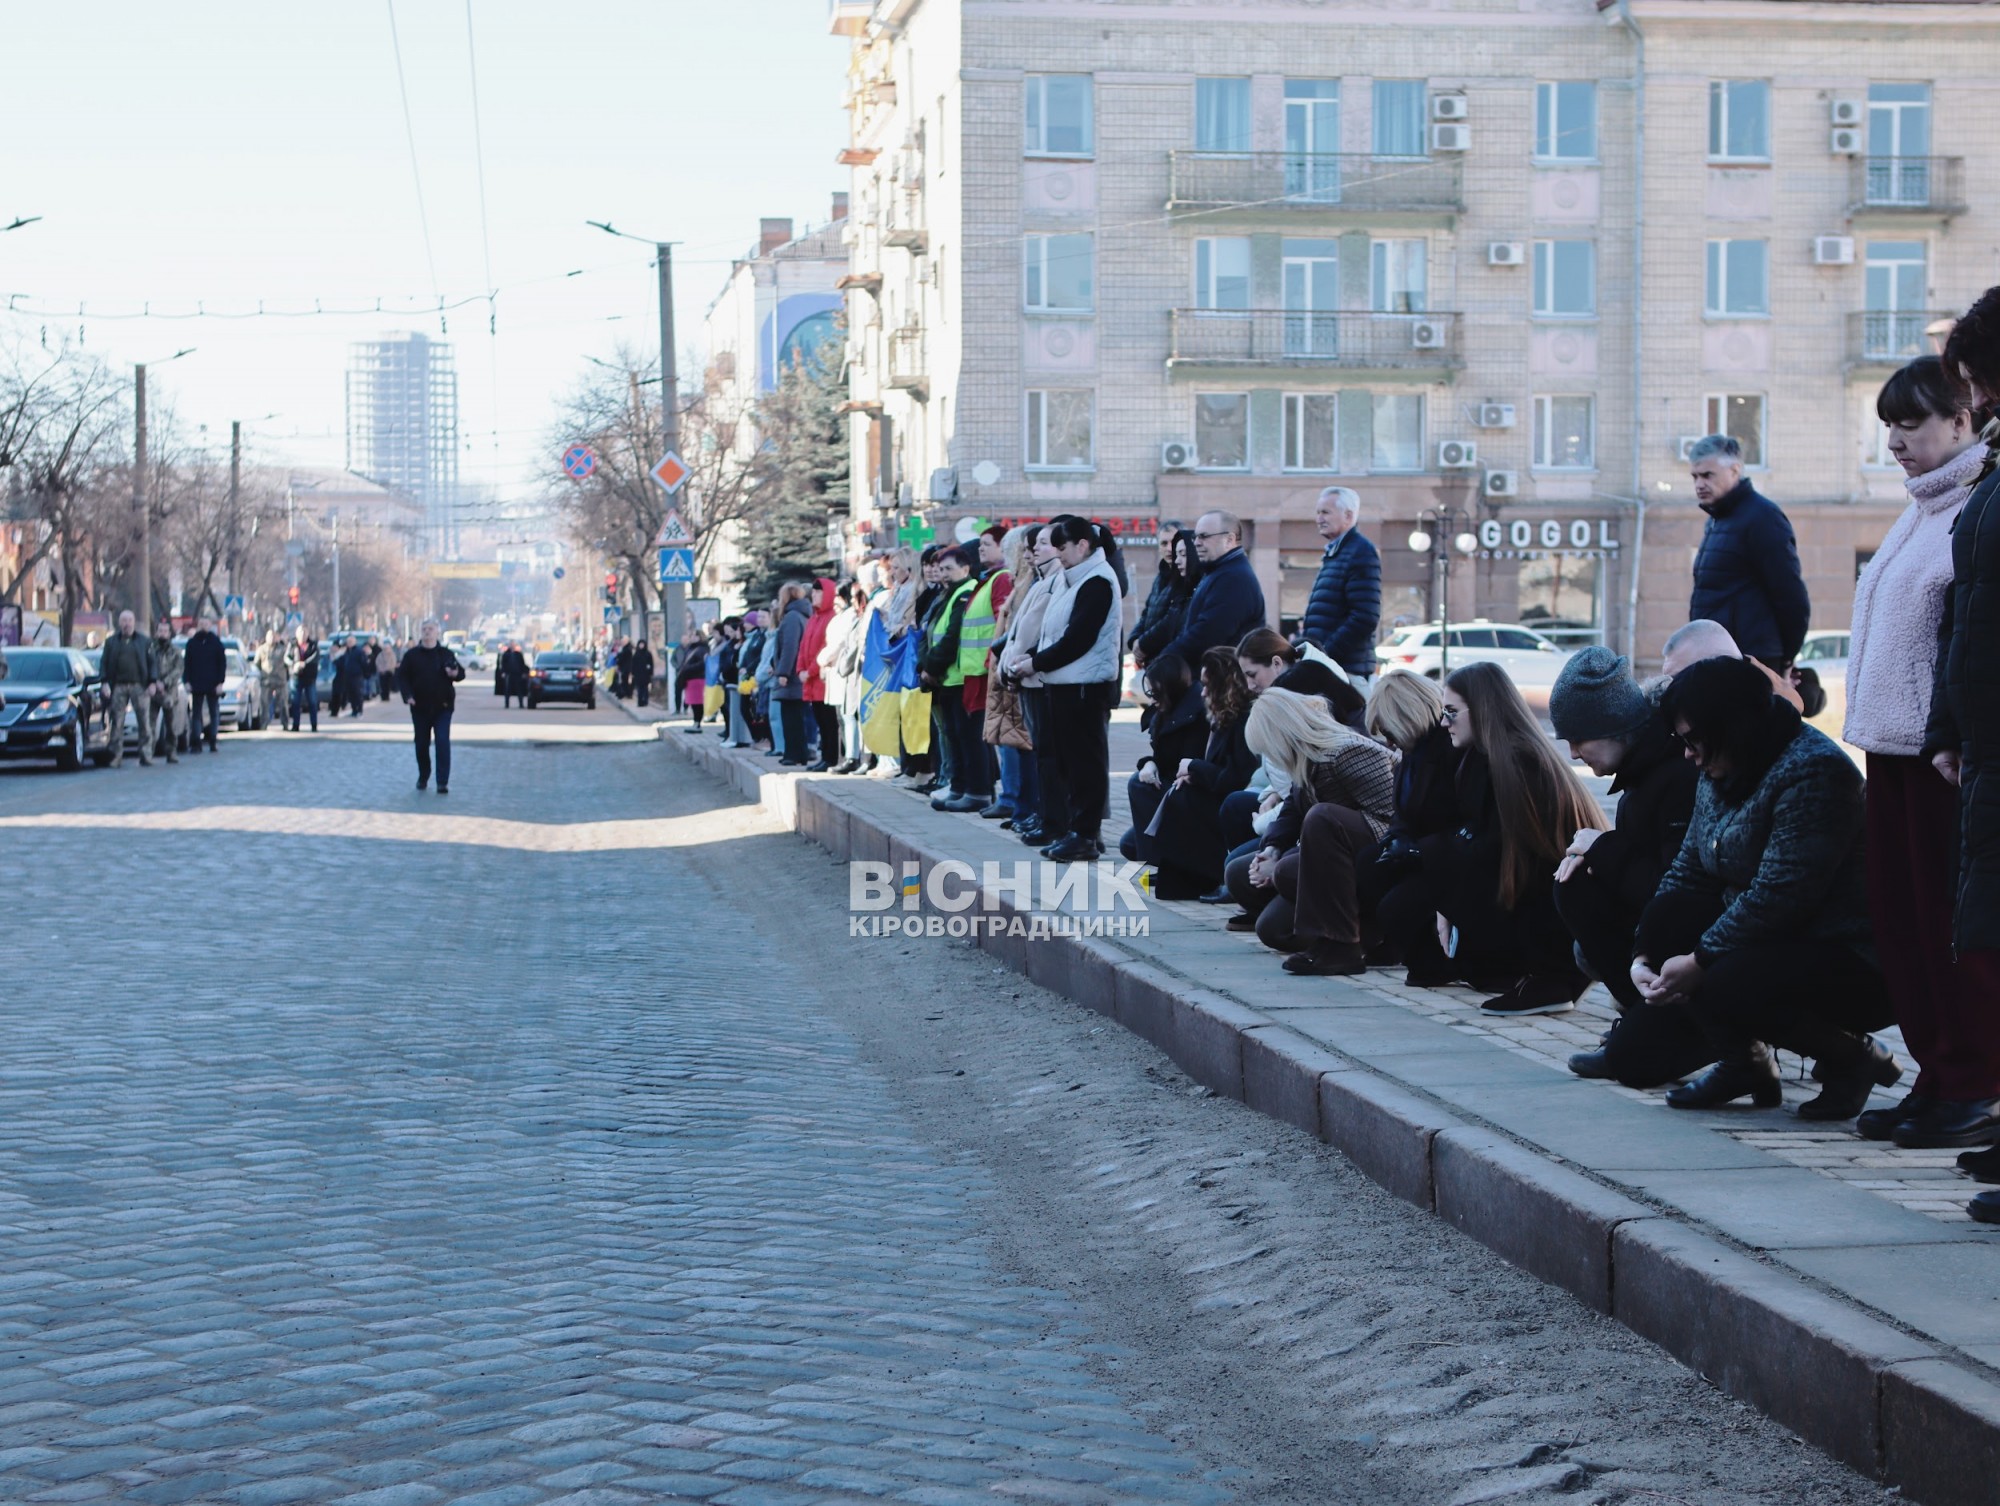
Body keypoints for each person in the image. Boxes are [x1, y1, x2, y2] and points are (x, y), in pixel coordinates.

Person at [1835, 357, 1999, 1148]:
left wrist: (1952, 736)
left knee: (1945, 926)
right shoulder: (1919, 509)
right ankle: (1937, 1073)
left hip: (1939, 759)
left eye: (1912, 424)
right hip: (1888, 749)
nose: (1896, 442)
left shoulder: (1975, 503)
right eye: (1888, 427)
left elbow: (1964, 639)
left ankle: (1973, 1081)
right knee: (1902, 926)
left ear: (1963, 420)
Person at [1635, 656, 1896, 1117]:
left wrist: (1698, 960)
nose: (1687, 754)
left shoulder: (1816, 772)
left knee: (1726, 980)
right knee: (1667, 918)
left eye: (1692, 739)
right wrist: (1644, 954)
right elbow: (1689, 868)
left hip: (1847, 952)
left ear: (1730, 728)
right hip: (1774, 936)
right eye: (1680, 741)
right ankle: (1744, 1063)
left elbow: (1783, 895)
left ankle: (1852, 1058)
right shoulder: (1721, 764)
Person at [1375, 661, 1604, 1015]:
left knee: (1415, 889)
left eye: (1451, 712)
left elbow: (1518, 856)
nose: (1444, 722)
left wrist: (1439, 877)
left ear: (1482, 709)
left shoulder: (1516, 761)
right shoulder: (1488, 757)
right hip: (1543, 904)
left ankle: (1548, 977)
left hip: (1555, 908)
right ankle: (1534, 974)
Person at [1547, 648, 1707, 1086]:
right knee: (1572, 883)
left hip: (1694, 939)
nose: (1574, 754)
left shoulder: (1676, 775)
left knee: (1633, 1064)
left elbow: (1674, 887)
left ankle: (1665, 1025)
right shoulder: (1644, 770)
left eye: (1579, 739)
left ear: (1614, 728)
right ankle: (1644, 1018)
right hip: (1662, 935)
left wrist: (1602, 848)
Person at [1930, 295, 2000, 1217]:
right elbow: (1968, 613)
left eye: (1979, 378)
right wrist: (1950, 730)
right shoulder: (1993, 471)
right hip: (1985, 747)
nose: (1976, 397)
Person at [1223, 687, 1397, 964]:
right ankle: (1325, 926)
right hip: (1331, 851)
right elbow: (1292, 809)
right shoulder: (1306, 757)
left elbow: (1391, 819)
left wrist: (1294, 861)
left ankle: (1357, 934)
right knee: (1240, 875)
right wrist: (1272, 850)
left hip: (1369, 857)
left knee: (1288, 871)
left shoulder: (1349, 751)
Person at [1029, 517, 1124, 861]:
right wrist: (1032, 657)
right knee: (1067, 764)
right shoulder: (1071, 578)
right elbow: (1052, 633)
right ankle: (1077, 830)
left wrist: (1035, 663)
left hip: (1084, 687)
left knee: (1085, 765)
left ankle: (1085, 835)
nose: (1058, 554)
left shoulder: (1097, 580)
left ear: (1083, 545)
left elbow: (1079, 638)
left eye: (1063, 547)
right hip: (1064, 684)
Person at [1686, 434, 1811, 675]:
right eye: (1695, 476)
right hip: (1717, 656)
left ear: (1734, 470)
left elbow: (1790, 594)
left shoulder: (1763, 517)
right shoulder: (1716, 521)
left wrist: (1786, 658)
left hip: (1751, 660)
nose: (1699, 484)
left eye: (1707, 475)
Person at [1139, 646, 1258, 898]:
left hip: (1240, 802)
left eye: (1207, 685)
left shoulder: (1243, 719)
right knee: (1171, 796)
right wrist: (1192, 771)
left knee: (1183, 798)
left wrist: (1194, 767)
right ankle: (1179, 874)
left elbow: (1236, 777)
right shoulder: (1223, 717)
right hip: (1218, 796)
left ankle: (1200, 876)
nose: (1202, 692)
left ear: (1224, 687)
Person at [998, 526, 1062, 844]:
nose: (1031, 552)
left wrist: (1022, 662)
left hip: (1037, 675)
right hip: (1023, 673)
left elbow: (1040, 632)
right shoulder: (1037, 580)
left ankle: (1047, 817)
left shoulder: (1054, 581)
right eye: (1026, 548)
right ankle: (1038, 814)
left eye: (1039, 545)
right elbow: (1018, 631)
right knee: (1038, 753)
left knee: (1047, 755)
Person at [1120, 654, 1209, 865]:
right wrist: (1149, 763)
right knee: (1129, 844)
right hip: (1172, 786)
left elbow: (1189, 763)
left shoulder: (1196, 714)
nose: (1151, 700)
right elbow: (1163, 759)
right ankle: (1159, 862)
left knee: (1138, 786)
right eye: (1150, 693)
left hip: (1190, 790)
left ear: (1170, 688)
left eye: (1155, 693)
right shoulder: (1167, 711)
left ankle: (1155, 867)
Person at [1159, 511, 1265, 669]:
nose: (1196, 543)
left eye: (1204, 536)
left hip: (1225, 679)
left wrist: (1164, 661)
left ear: (1229, 540)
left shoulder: (1233, 578)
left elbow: (1206, 635)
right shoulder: (1218, 572)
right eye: (1195, 537)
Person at [1298, 487, 1382, 686]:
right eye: (1318, 512)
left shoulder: (1360, 551)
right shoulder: (1337, 553)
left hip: (1345, 672)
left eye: (1325, 512)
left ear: (1348, 516)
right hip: (1331, 669)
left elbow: (1364, 617)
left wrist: (1325, 654)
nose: (1319, 519)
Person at [957, 526, 1013, 813]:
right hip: (974, 670)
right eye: (980, 544)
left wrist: (992, 660)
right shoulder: (987, 579)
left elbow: (1001, 623)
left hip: (986, 670)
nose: (981, 548)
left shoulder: (1001, 579)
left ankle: (985, 792)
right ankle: (979, 791)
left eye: (987, 544)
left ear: (1004, 547)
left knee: (991, 735)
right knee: (976, 734)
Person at [920, 547, 981, 807]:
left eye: (948, 569)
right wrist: (926, 665)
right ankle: (957, 786)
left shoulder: (965, 591)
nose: (943, 574)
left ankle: (973, 791)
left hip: (959, 675)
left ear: (965, 569)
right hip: (947, 677)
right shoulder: (949, 593)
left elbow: (951, 636)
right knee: (953, 736)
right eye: (941, 569)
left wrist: (931, 667)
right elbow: (930, 631)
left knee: (966, 738)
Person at [399, 619, 465, 793]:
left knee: (442, 741)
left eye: (430, 629)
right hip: (419, 706)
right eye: (424, 629)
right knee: (421, 744)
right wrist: (407, 696)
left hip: (443, 706)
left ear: (437, 632)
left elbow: (460, 673)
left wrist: (455, 673)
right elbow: (402, 677)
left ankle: (442, 781)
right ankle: (424, 774)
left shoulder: (445, 654)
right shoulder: (412, 655)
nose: (427, 632)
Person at [1128, 529, 1200, 671]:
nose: (1169, 548)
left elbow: (1171, 620)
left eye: (1173, 543)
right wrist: (1135, 640)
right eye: (1164, 543)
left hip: (1170, 661)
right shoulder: (1160, 577)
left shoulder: (1187, 580)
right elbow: (1147, 613)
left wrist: (1143, 644)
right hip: (1154, 660)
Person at [99, 610, 158, 768]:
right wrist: (104, 682)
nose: (127, 624)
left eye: (129, 620)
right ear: (120, 623)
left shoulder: (144, 641)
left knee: (144, 722)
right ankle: (116, 756)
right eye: (124, 620)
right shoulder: (111, 642)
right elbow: (104, 663)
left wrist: (152, 682)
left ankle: (146, 754)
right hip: (118, 686)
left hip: (139, 686)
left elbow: (152, 663)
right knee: (117, 723)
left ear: (134, 622)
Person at [770, 581, 813, 767]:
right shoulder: (802, 615)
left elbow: (790, 646)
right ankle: (799, 753)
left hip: (791, 675)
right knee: (796, 715)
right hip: (797, 672)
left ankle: (792, 754)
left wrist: (783, 672)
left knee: (790, 716)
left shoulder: (791, 617)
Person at [183, 615, 226, 753]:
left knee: (214, 713)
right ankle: (196, 742)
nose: (203, 626)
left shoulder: (216, 642)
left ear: (210, 625)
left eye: (206, 624)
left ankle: (213, 740)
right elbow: (187, 664)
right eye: (201, 624)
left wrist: (220, 683)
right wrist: (186, 681)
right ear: (198, 625)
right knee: (196, 714)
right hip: (196, 683)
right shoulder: (192, 643)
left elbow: (222, 664)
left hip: (213, 683)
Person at [150, 617, 185, 762]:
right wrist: (153, 681)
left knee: (171, 725)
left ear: (169, 633)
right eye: (160, 631)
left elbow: (178, 670)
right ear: (156, 632)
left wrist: (165, 682)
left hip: (170, 692)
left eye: (165, 631)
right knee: (150, 724)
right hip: (153, 691)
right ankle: (148, 753)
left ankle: (171, 752)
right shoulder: (151, 649)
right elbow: (146, 667)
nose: (162, 634)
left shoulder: (175, 651)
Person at [286, 625, 320, 732]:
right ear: (296, 634)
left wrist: (304, 663)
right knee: (295, 702)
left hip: (310, 678)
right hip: (296, 677)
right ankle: (295, 725)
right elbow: (286, 658)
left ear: (308, 633)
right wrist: (294, 664)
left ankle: (314, 725)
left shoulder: (313, 645)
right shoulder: (292, 644)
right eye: (300, 632)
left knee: (312, 702)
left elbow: (315, 657)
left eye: (305, 632)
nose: (302, 634)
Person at [256, 627, 289, 726]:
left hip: (280, 680)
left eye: (273, 636)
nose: (271, 638)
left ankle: (285, 723)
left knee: (283, 703)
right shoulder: (261, 649)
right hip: (266, 680)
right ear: (266, 637)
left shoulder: (282, 649)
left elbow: (287, 663)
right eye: (269, 636)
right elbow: (257, 663)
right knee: (264, 703)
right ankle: (264, 723)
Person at [338, 638, 371, 718]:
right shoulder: (346, 652)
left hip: (357, 676)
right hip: (348, 676)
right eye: (348, 642)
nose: (349, 643)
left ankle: (359, 710)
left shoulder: (359, 651)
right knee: (351, 694)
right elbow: (342, 662)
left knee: (358, 693)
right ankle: (354, 710)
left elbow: (364, 663)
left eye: (350, 642)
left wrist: (365, 673)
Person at [498, 642, 529, 709]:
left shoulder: (518, 654)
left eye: (513, 645)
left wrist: (523, 673)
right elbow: (503, 664)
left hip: (517, 674)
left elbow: (522, 664)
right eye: (511, 645)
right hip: (509, 674)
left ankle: (521, 704)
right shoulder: (506, 654)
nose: (512, 646)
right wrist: (503, 672)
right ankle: (507, 704)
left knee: (519, 690)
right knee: (507, 690)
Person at [630, 636, 655, 708]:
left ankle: (645, 701)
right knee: (639, 689)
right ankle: (640, 701)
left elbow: (651, 663)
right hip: (638, 674)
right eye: (640, 645)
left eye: (642, 644)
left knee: (645, 688)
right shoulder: (636, 654)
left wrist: (650, 672)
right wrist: (633, 673)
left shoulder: (648, 654)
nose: (641, 646)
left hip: (646, 674)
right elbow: (633, 664)